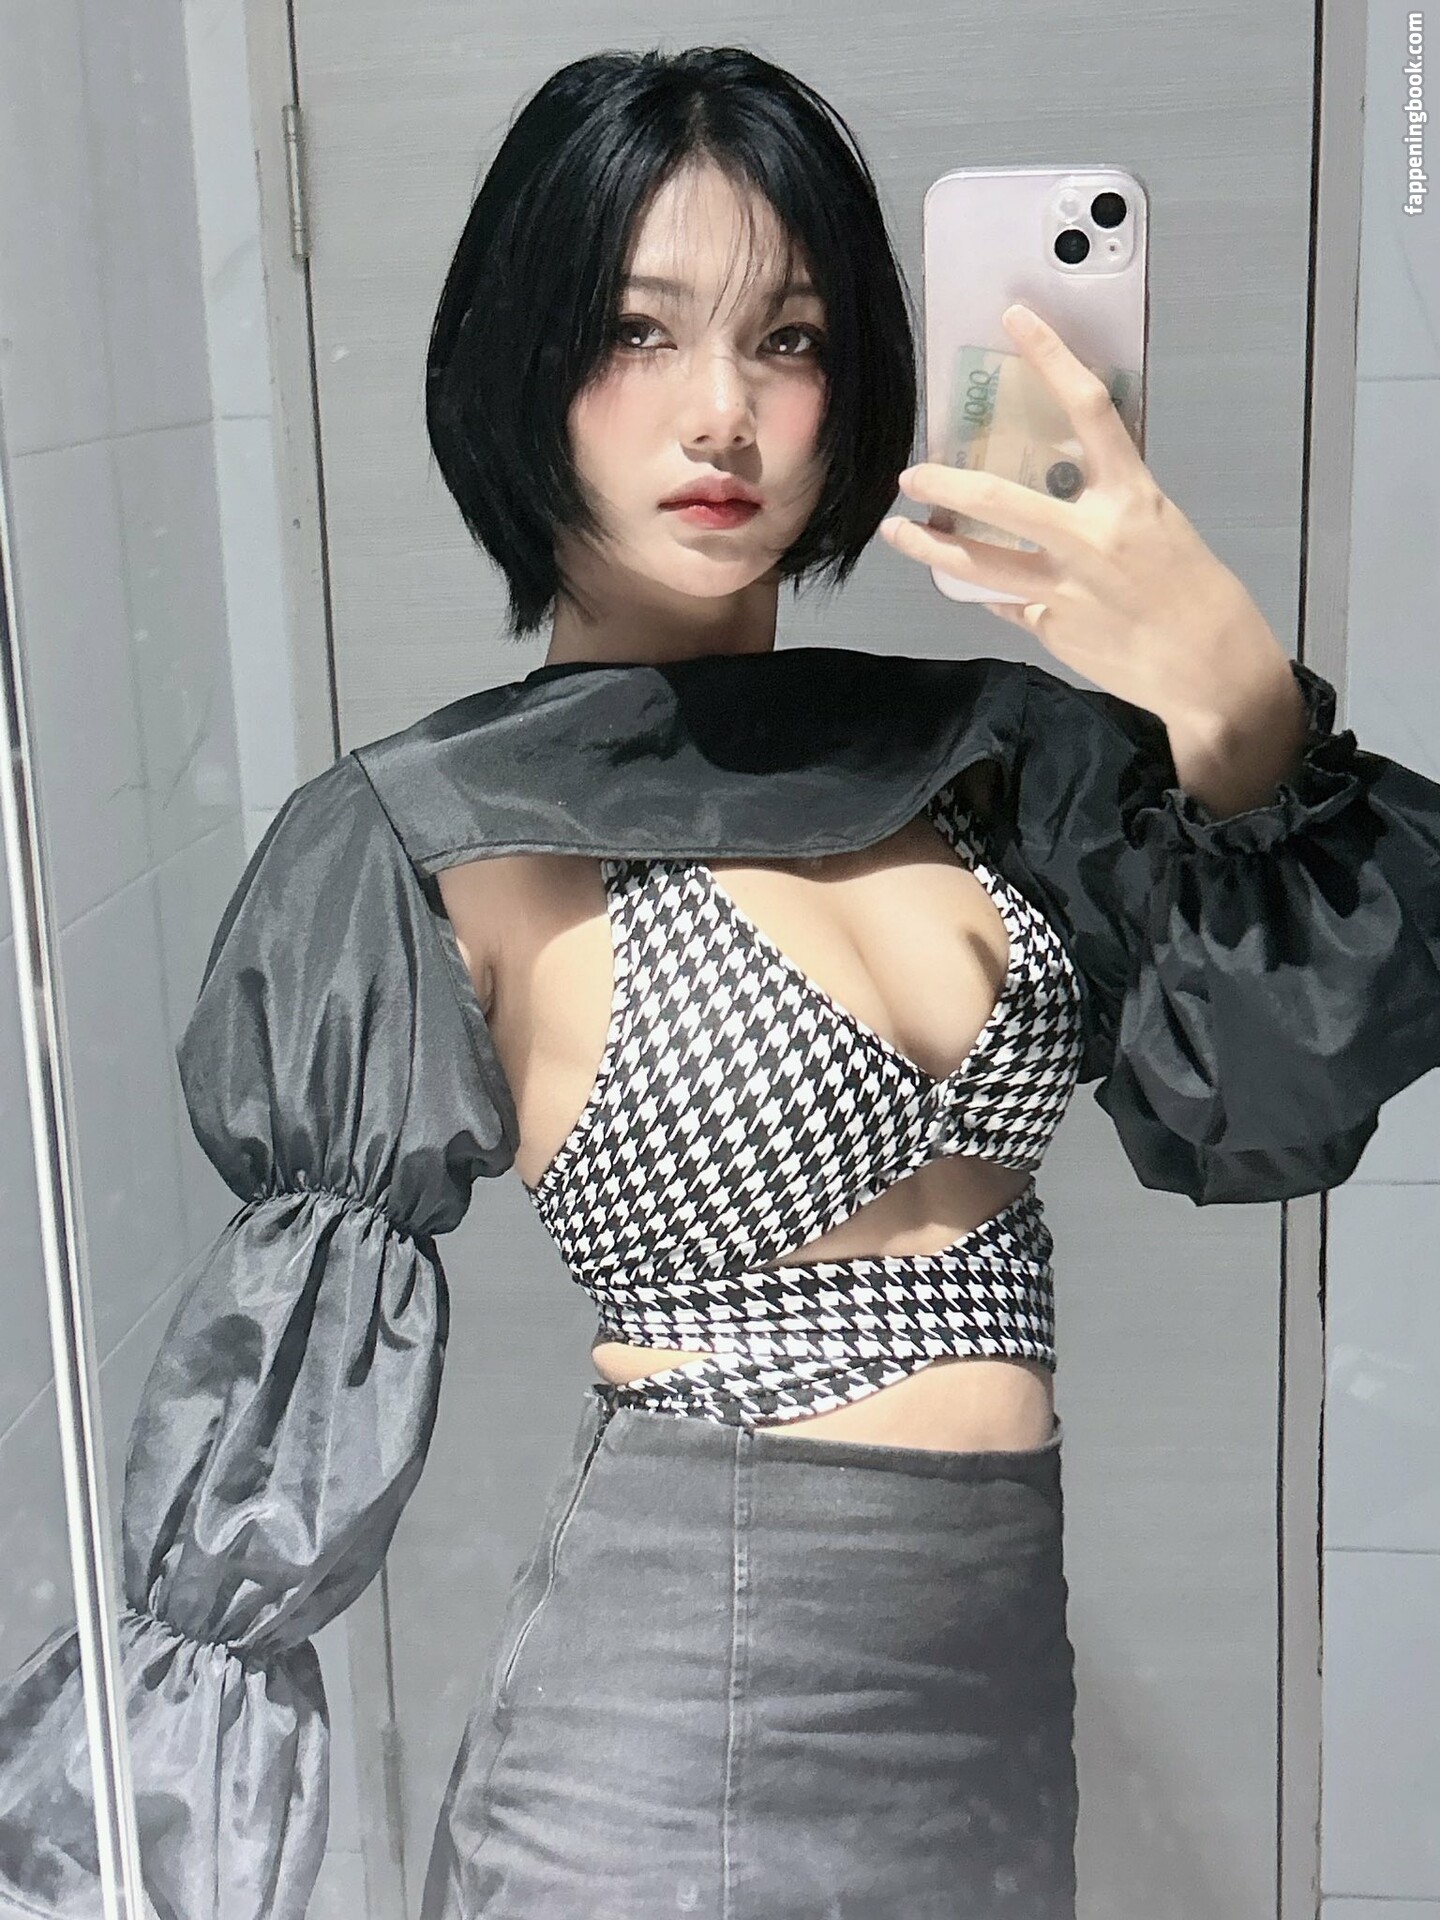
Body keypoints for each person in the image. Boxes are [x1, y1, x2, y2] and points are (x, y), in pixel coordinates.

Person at [3, 42, 1440, 1920]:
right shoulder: (428, 834)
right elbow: (269, 1453)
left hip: (993, 1719)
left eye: (790, 339)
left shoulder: (995, 755)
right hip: (664, 1755)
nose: (723, 414)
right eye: (639, 328)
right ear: (521, 361)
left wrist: (1225, 682)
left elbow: (1284, 1089)